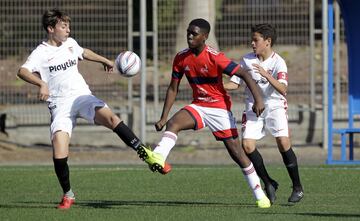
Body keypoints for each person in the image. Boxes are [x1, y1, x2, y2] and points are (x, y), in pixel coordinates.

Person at [17, 8, 163, 209]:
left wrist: (105, 60)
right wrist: (41, 84)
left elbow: (83, 52)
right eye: (63, 26)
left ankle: (146, 153)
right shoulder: (41, 52)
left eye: (68, 26)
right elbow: (22, 71)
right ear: (51, 29)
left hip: (81, 96)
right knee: (59, 152)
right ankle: (68, 194)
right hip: (60, 104)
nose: (68, 30)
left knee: (112, 118)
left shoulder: (70, 43)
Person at [143, 18, 271, 208]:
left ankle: (260, 195)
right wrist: (163, 116)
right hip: (199, 106)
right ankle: (159, 156)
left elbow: (244, 74)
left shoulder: (215, 57)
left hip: (219, 109)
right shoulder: (181, 57)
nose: (189, 36)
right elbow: (172, 88)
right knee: (173, 123)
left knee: (237, 154)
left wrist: (259, 100)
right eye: (188, 32)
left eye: (194, 34)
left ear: (205, 37)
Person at [223, 23, 304, 204]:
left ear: (267, 42)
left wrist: (267, 75)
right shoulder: (246, 60)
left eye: (256, 40)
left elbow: (283, 89)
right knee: (248, 146)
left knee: (283, 143)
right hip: (253, 107)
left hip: (275, 105)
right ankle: (268, 182)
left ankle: (297, 187)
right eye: (252, 39)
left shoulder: (278, 62)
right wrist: (217, 86)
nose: (252, 43)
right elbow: (235, 84)